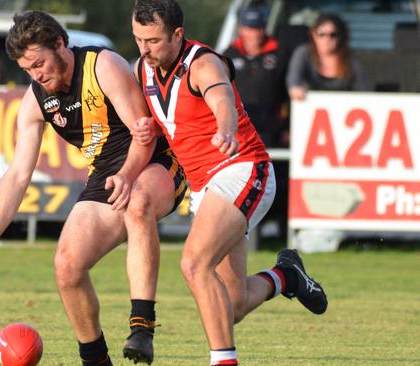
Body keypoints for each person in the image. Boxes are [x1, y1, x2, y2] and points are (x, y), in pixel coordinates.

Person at [0, 11, 186, 366]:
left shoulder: (103, 66)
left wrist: (128, 176)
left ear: (59, 44)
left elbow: (143, 136)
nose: (36, 75)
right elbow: (18, 173)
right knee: (67, 266)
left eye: (39, 63)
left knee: (138, 203)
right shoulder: (37, 99)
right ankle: (95, 361)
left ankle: (142, 328)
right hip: (106, 175)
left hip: (154, 161)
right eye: (27, 69)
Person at [130, 1, 328, 365]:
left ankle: (224, 361)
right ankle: (286, 276)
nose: (145, 48)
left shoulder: (203, 63)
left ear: (177, 34)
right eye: (139, 39)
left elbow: (221, 98)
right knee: (232, 304)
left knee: (193, 264)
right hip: (205, 186)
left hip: (242, 169)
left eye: (153, 40)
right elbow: (169, 120)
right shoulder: (144, 68)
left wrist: (226, 128)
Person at [222, 7, 288, 148]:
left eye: (259, 28)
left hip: (271, 128)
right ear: (241, 29)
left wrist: (287, 127)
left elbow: (288, 93)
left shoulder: (280, 54)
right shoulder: (228, 55)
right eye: (250, 28)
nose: (255, 34)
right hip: (238, 126)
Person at [287, 13, 370, 100]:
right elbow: (294, 80)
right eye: (321, 34)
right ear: (313, 35)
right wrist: (296, 89)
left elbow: (365, 92)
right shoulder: (304, 53)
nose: (327, 39)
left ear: (340, 37)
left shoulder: (352, 61)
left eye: (333, 35)